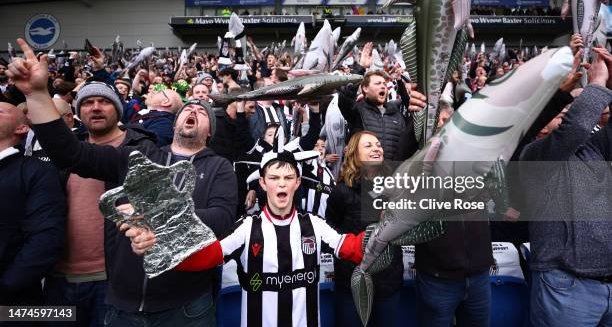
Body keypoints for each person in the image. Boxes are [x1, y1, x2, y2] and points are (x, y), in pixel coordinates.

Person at [6, 38, 237, 327]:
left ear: (210, 133)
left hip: (186, 305)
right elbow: (72, 155)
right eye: (188, 109)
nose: (194, 111)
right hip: (122, 305)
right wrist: (38, 95)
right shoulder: (139, 156)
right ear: (174, 122)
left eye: (203, 112)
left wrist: (156, 221)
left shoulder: (219, 167)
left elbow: (223, 218)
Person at [124, 151, 365, 327]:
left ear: (297, 183)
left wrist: (390, 228)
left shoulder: (314, 224)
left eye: (288, 178)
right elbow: (205, 257)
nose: (281, 183)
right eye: (274, 177)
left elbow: (353, 249)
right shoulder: (246, 228)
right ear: (262, 183)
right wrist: (158, 243)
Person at [42, 81, 157, 327]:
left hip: (111, 281)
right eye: (87, 102)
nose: (95, 108)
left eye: (104, 101)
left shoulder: (141, 149)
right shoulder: (64, 152)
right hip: (59, 280)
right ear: (77, 113)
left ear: (118, 109)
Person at [520, 45, 612, 326]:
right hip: (565, 285)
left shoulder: (594, 149)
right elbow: (573, 129)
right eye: (562, 111)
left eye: (570, 110)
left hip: (607, 281)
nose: (566, 114)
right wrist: (596, 84)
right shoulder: (534, 155)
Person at [326, 131, 401, 327]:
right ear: (354, 154)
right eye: (368, 146)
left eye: (378, 144)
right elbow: (330, 233)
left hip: (388, 284)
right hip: (352, 286)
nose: (376, 148)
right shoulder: (341, 192)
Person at [0, 102, 66, 305]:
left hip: (13, 305)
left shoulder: (36, 171)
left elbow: (46, 238)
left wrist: (6, 287)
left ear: (22, 128)